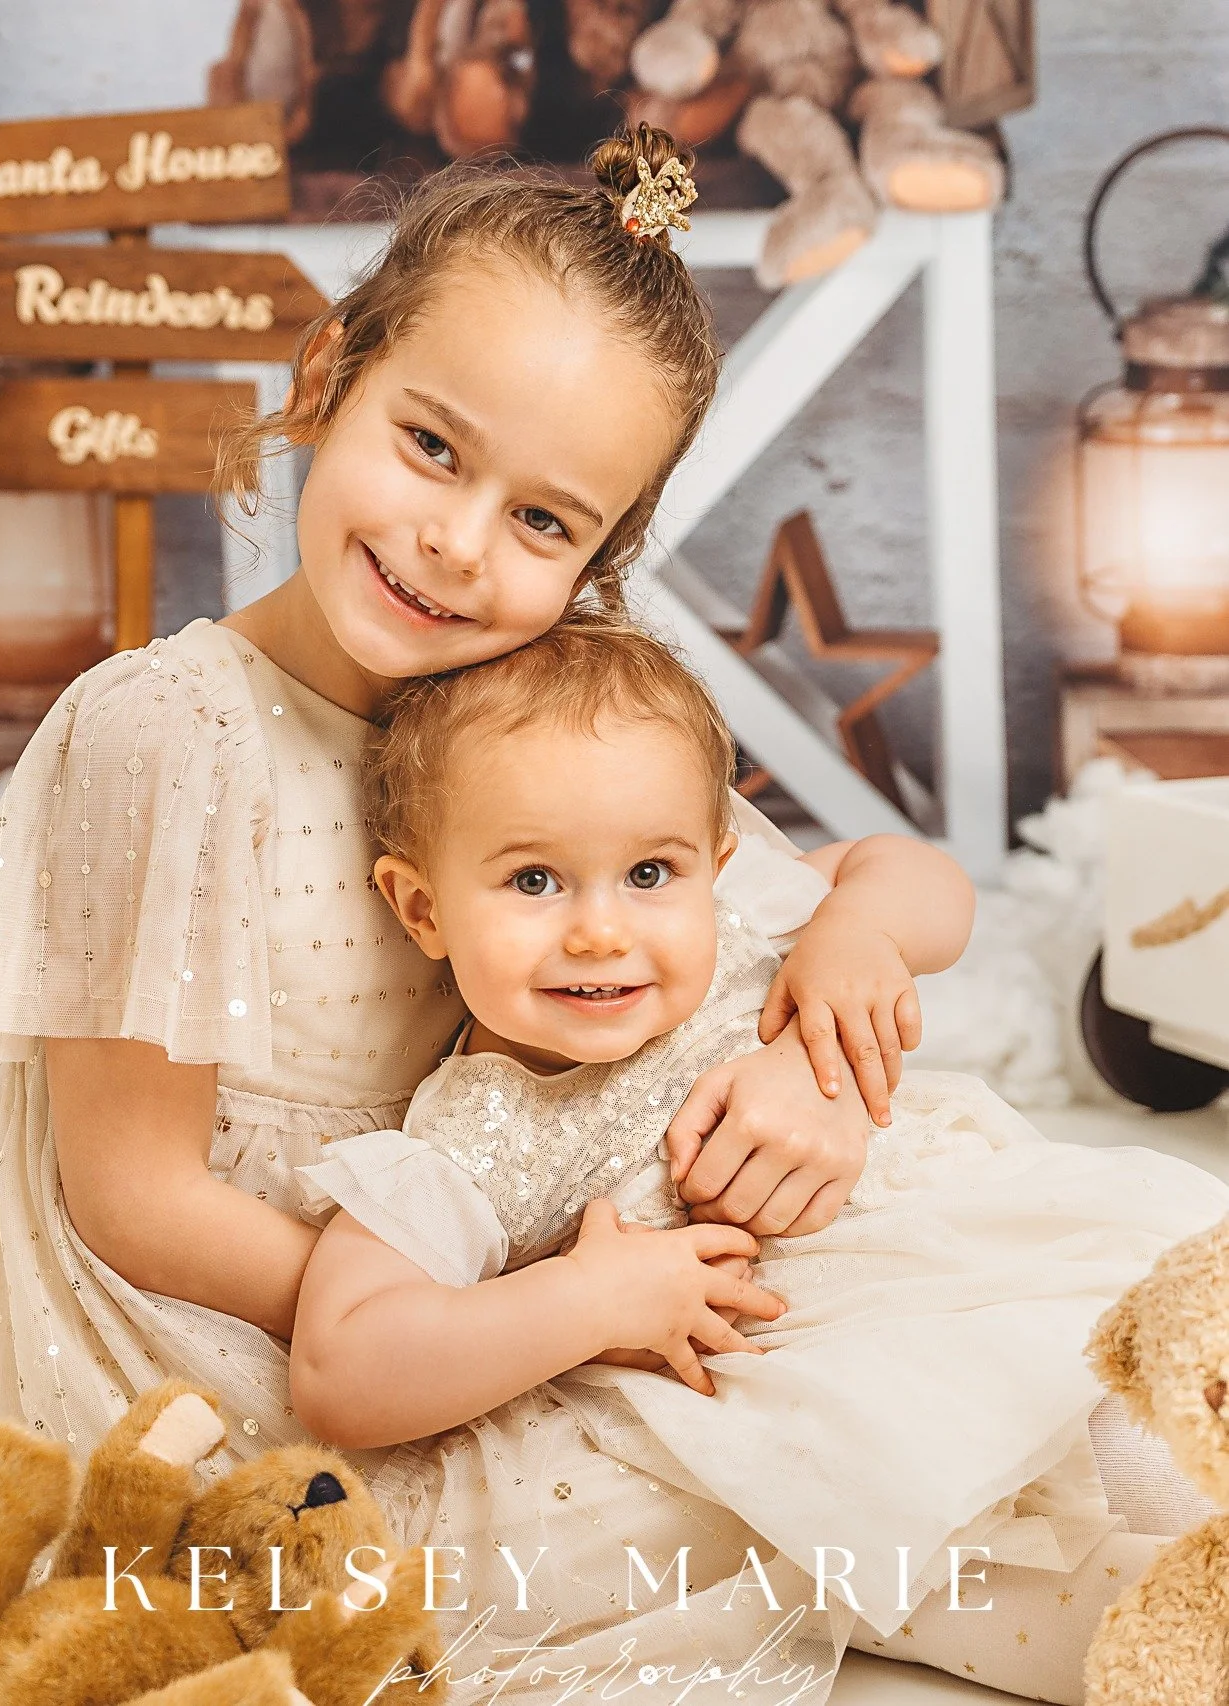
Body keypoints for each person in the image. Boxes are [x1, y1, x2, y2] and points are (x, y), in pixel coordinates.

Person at [0, 129, 933, 1466]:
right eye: (432, 445)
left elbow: (829, 887)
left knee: (939, 1345)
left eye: (543, 523)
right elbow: (137, 1200)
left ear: (599, 559)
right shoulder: (168, 731)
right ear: (330, 374)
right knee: (799, 1462)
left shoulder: (519, 708)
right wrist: (525, 1319)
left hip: (497, 1284)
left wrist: (830, 1006)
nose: (456, 540)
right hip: (250, 1343)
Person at [289, 613, 1226, 1706]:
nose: (602, 928)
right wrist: (586, 1296)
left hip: (990, 1258)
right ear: (422, 905)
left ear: (716, 864)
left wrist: (857, 930)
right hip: (833, 1394)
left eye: (649, 870)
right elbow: (342, 1368)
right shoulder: (483, 1125)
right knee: (984, 1566)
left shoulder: (749, 915)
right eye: (534, 882)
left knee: (1141, 1357)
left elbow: (917, 874)